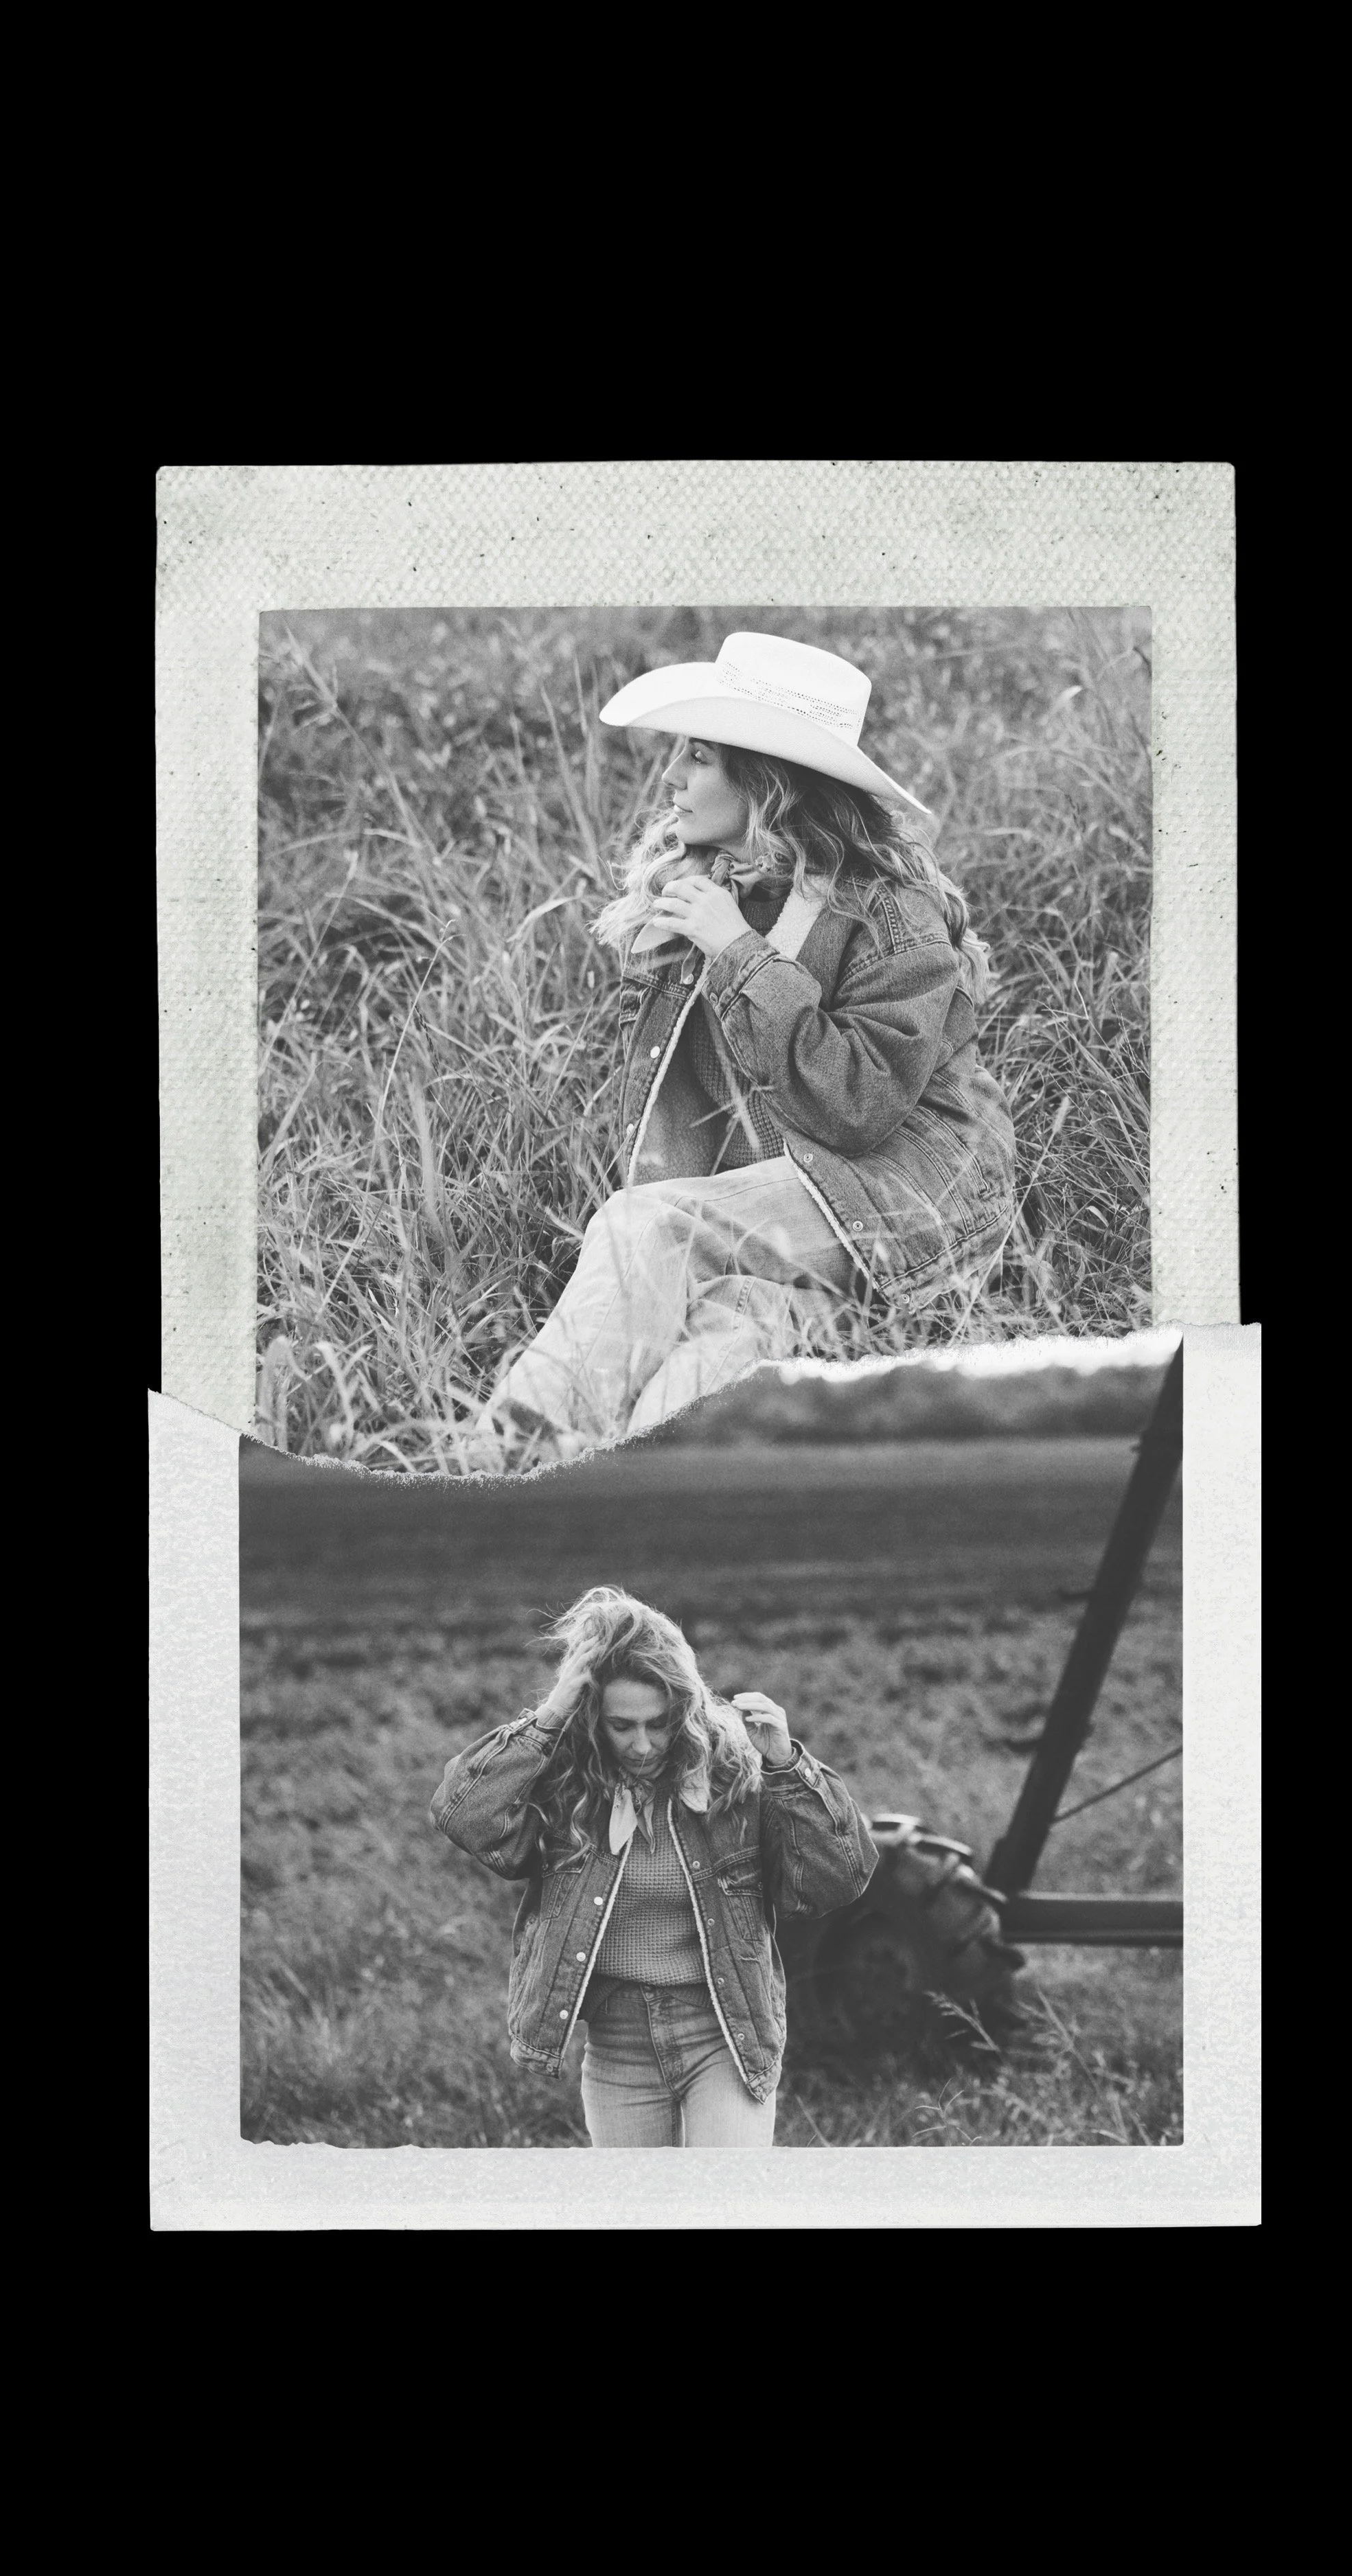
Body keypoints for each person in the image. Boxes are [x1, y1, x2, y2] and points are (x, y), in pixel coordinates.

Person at [470, 630, 1018, 1469]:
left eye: (697, 757)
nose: (670, 778)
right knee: (732, 1319)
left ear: (766, 783)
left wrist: (738, 953)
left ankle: (502, 1462)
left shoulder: (889, 911)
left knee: (651, 1225)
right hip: (797, 1198)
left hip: (904, 1193)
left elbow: (857, 1107)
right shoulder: (715, 887)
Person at [428, 1586, 878, 2146]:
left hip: (724, 2037)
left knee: (726, 2196)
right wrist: (549, 1718)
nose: (642, 1745)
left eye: (658, 1723)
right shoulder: (567, 1785)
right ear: (593, 1718)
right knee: (635, 2199)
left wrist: (786, 1765)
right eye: (622, 1726)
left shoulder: (733, 1774)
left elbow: (840, 1877)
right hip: (618, 2048)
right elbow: (464, 1814)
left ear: (683, 1710)